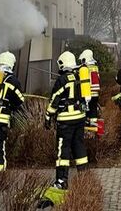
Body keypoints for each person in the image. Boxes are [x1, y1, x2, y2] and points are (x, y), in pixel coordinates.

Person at [44, 51, 88, 193]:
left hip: (66, 121)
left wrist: (48, 116)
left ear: (62, 64)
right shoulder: (79, 76)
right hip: (80, 118)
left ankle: (61, 181)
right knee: (79, 146)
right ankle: (84, 178)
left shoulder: (62, 79)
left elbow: (55, 99)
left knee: (63, 150)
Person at [78, 49, 101, 135]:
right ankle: (93, 127)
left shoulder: (85, 68)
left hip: (87, 93)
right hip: (95, 93)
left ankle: (85, 129)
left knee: (85, 110)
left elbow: (82, 80)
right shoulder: (95, 67)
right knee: (93, 110)